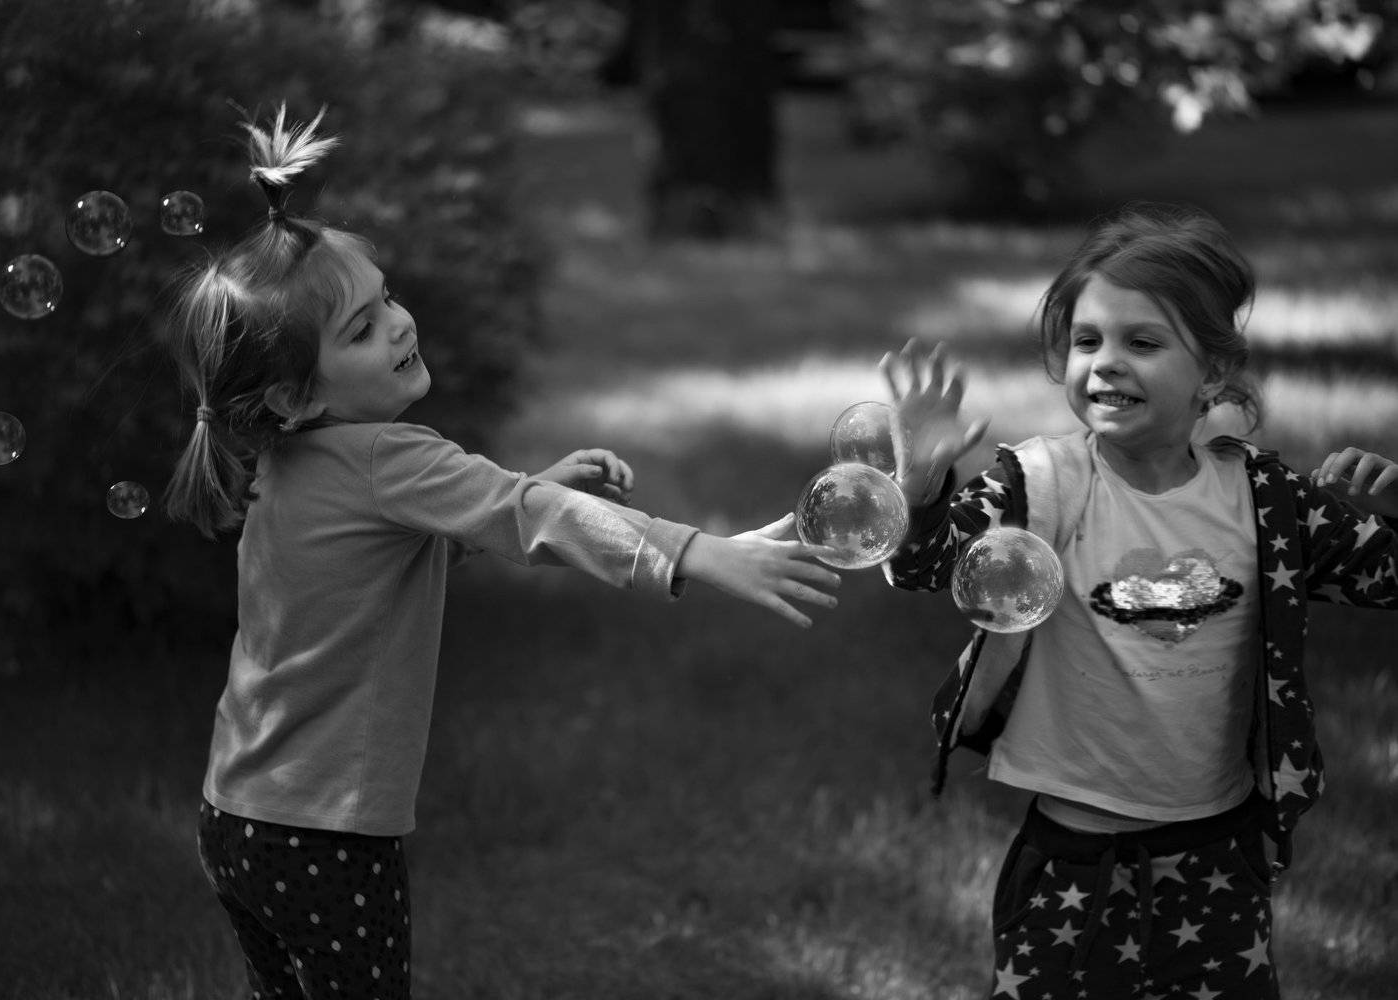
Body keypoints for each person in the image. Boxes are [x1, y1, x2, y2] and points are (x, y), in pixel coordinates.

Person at [162, 104, 842, 1000]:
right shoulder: (389, 457)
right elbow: (527, 516)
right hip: (325, 834)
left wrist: (530, 495)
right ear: (292, 395)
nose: (397, 324)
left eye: (386, 299)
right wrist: (698, 553)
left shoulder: (285, 468)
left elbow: (383, 575)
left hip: (237, 817)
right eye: (360, 330)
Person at [879, 202, 1398, 999]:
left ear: (1213, 373)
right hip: (1071, 867)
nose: (1106, 363)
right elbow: (925, 565)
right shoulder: (1036, 484)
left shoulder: (1269, 502)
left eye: (1143, 343)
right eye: (1087, 341)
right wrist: (919, 487)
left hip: (1219, 859)